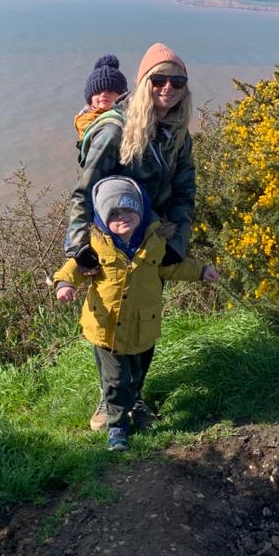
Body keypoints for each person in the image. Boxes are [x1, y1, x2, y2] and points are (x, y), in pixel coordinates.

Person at [64, 42, 197, 431]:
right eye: (159, 80)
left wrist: (176, 245)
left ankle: (133, 396)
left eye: (177, 81)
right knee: (110, 323)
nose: (168, 88)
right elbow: (83, 193)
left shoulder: (177, 134)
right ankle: (110, 403)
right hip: (111, 246)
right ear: (143, 83)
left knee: (145, 320)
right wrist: (79, 249)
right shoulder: (114, 132)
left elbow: (184, 194)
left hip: (153, 245)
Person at [54, 176, 218, 451]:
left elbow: (171, 267)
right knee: (116, 380)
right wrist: (64, 284)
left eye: (129, 208)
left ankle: (136, 402)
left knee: (137, 374)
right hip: (107, 329)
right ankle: (117, 427)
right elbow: (74, 268)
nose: (123, 217)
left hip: (144, 326)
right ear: (102, 217)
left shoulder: (155, 241)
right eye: (114, 213)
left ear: (141, 209)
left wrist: (201, 271)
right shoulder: (95, 244)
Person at [73, 54, 128, 143]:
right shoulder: (83, 120)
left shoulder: (128, 117)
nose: (103, 94)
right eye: (98, 92)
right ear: (90, 99)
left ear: (121, 96)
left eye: (110, 91)